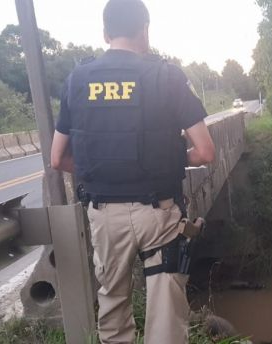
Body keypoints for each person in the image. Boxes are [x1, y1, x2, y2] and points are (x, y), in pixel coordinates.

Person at [50, 0, 215, 342]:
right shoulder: (166, 76)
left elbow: (58, 159)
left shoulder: (78, 79)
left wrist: (103, 174)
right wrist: (165, 160)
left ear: (106, 32)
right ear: (145, 29)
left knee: (112, 303)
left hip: (104, 216)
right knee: (166, 313)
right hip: (158, 212)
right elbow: (205, 151)